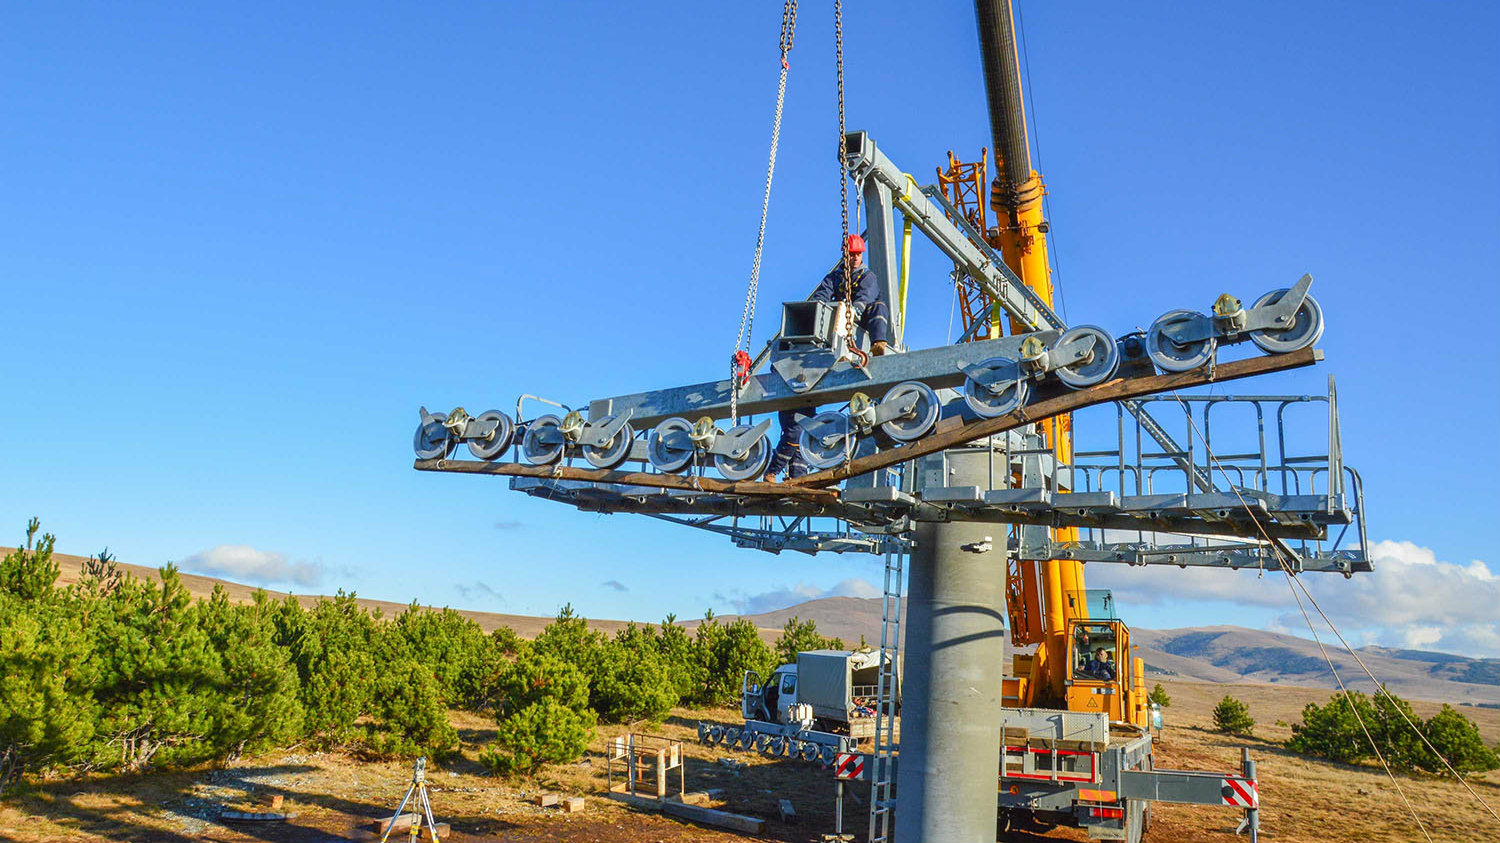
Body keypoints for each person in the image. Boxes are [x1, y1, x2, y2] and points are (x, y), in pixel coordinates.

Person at [763, 235, 893, 483]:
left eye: (857, 255)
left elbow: (866, 295)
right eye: (851, 255)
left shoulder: (867, 277)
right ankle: (790, 477)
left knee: (879, 307)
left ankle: (879, 342)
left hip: (857, 322)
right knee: (799, 433)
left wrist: (855, 310)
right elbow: (821, 297)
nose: (854, 259)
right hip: (833, 331)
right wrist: (819, 315)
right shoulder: (835, 278)